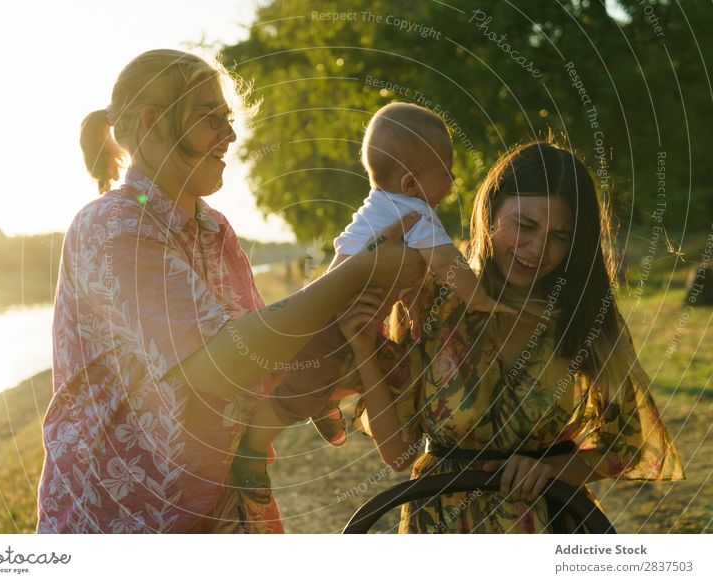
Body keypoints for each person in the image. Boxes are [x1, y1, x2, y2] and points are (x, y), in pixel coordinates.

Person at [35, 48, 425, 534]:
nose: (231, 134)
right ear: (155, 124)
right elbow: (221, 365)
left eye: (228, 117)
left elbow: (269, 353)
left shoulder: (214, 229)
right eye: (210, 118)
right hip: (126, 520)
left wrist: (358, 346)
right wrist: (359, 271)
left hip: (227, 511)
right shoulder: (113, 226)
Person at [317, 140, 684, 532]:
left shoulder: (583, 315)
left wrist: (553, 467)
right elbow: (397, 453)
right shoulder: (431, 302)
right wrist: (363, 350)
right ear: (490, 210)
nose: (537, 249)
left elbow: (626, 443)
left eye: (560, 236)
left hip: (550, 525)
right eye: (525, 225)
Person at [240, 102, 517, 454]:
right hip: (330, 323)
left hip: (324, 310)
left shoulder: (382, 204)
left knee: (347, 369)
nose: (451, 181)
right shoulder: (416, 212)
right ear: (411, 183)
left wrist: (413, 305)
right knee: (300, 393)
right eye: (446, 173)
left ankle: (315, 398)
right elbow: (446, 262)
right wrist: (480, 299)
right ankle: (254, 443)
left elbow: (403, 274)